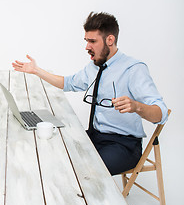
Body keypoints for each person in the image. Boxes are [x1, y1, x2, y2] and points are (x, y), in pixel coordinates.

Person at [12, 12, 168, 175]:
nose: (87, 47)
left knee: (86, 171)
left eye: (92, 41)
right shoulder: (94, 66)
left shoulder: (134, 69)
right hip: (95, 137)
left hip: (123, 145)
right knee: (54, 150)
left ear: (110, 40)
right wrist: (37, 71)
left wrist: (136, 106)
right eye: (86, 41)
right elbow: (68, 83)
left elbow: (161, 113)